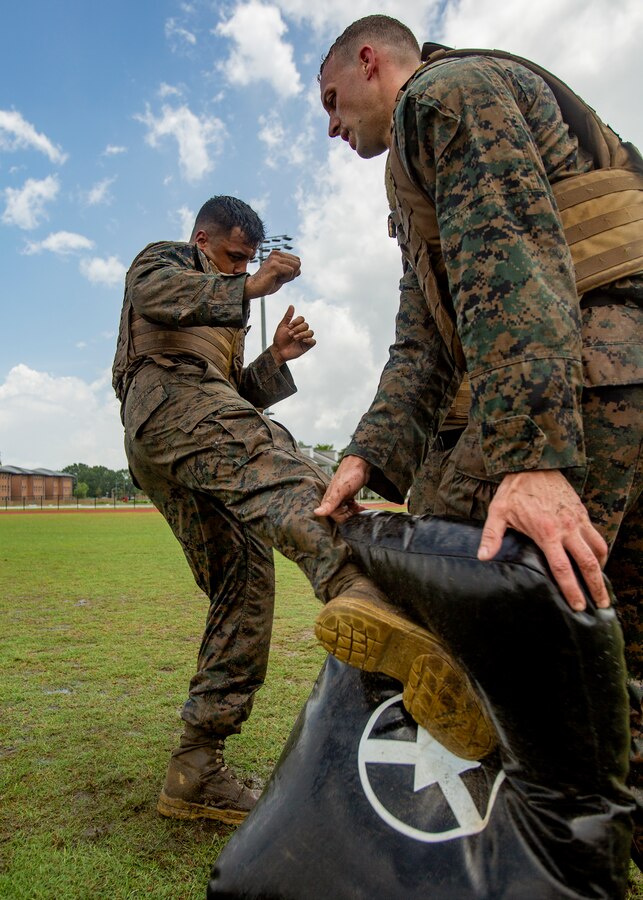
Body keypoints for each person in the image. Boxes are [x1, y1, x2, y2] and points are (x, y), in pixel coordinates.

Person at [313, 13, 642, 857]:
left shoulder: (445, 94)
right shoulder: (414, 171)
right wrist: (368, 451)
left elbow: (510, 257)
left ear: (368, 60)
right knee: (608, 647)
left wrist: (530, 459)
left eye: (331, 102)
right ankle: (603, 851)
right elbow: (425, 335)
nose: (330, 125)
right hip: (612, 369)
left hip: (606, 368)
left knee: (480, 597)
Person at [112, 195, 491, 825]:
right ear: (203, 239)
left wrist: (273, 361)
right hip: (167, 404)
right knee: (288, 470)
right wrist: (251, 290)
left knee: (245, 586)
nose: (239, 270)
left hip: (179, 427)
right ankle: (358, 585)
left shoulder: (222, 317)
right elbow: (158, 298)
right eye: (232, 257)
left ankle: (196, 766)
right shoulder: (163, 260)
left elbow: (233, 397)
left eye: (246, 263)